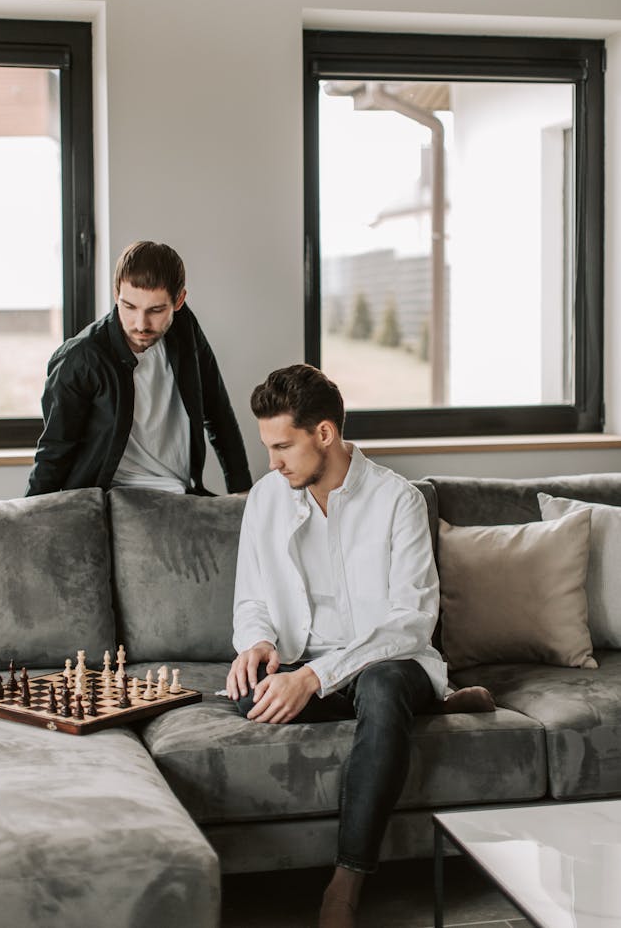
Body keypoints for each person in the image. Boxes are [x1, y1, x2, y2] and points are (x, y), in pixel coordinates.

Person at [226, 364, 493, 928]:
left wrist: (314, 679)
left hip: (391, 659)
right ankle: (429, 706)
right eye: (267, 447)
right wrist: (255, 643)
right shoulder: (266, 498)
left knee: (383, 683)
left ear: (324, 434)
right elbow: (251, 596)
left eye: (282, 447)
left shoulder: (399, 500)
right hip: (307, 655)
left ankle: (347, 880)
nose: (271, 462)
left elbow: (412, 622)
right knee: (248, 696)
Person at [26, 240, 252, 497]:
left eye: (156, 310)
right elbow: (55, 449)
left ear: (179, 301)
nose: (140, 324)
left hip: (180, 494)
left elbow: (217, 409)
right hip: (111, 498)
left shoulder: (184, 327)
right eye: (129, 307)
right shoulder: (80, 358)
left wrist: (243, 492)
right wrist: (29, 522)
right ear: (116, 295)